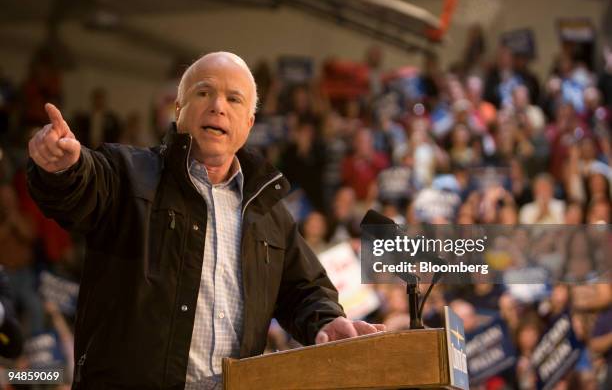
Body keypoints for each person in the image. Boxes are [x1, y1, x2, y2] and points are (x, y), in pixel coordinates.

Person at [26, 52, 384, 389]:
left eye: (234, 99)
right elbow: (81, 184)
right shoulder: (127, 174)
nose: (218, 106)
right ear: (179, 108)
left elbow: (303, 290)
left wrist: (326, 321)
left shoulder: (267, 211)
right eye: (204, 92)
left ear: (249, 122)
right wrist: (62, 168)